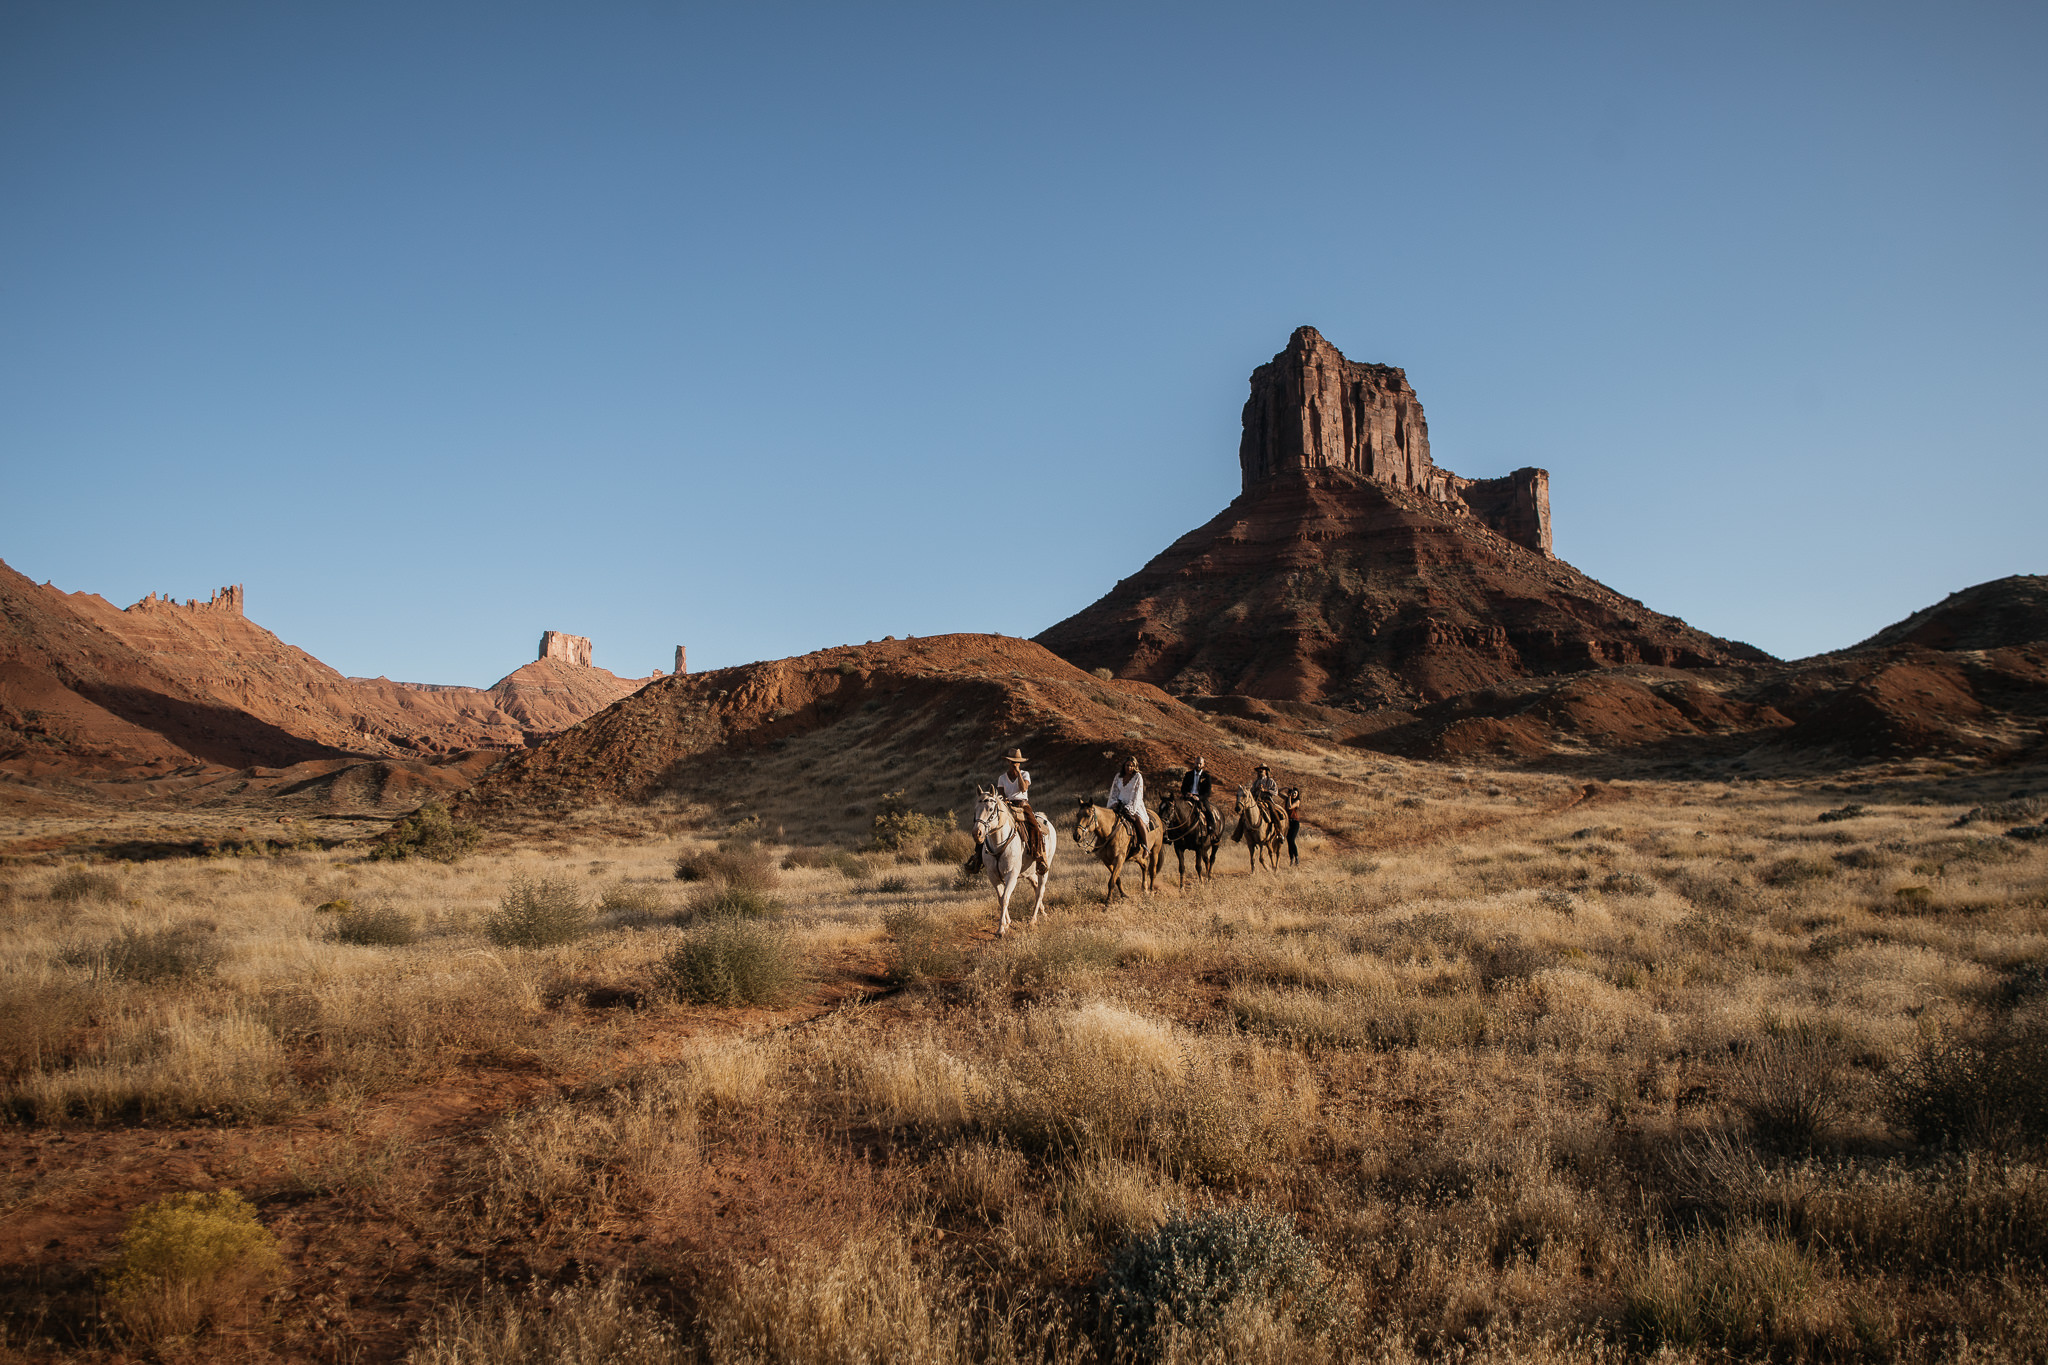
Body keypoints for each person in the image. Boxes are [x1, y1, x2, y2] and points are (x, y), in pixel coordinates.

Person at [996, 748, 1047, 867]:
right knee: (990, 822)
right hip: (1007, 805)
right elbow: (1001, 794)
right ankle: (979, 856)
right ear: (1009, 762)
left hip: (1023, 805)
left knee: (1034, 826)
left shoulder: (1025, 774)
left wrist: (1018, 772)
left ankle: (1039, 854)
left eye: (1017, 762)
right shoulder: (1002, 778)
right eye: (1013, 762)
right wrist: (1005, 800)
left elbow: (1023, 788)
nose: (1015, 764)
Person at [1107, 755, 1150, 845]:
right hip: (1118, 804)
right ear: (1124, 766)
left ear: (1135, 767)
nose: (1129, 768)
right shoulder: (1118, 776)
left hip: (1134, 805)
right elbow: (1113, 792)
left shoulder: (1138, 777)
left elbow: (1137, 795)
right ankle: (1101, 844)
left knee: (1138, 820)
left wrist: (1129, 808)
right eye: (1127, 765)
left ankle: (1146, 846)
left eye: (1132, 766)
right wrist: (1114, 803)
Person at [1179, 756, 1218, 840]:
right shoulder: (1188, 774)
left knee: (1208, 812)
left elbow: (1207, 792)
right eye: (1197, 763)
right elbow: (1183, 788)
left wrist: (1199, 797)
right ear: (1194, 763)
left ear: (1203, 764)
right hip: (1188, 798)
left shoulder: (1206, 776)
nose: (1198, 765)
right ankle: (1171, 833)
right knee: (1176, 809)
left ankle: (1211, 831)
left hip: (1200, 799)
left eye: (1200, 763)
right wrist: (1186, 794)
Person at [1251, 764, 1284, 831]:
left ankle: (1279, 830)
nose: (1260, 771)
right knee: (1246, 812)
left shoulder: (1270, 781)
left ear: (1266, 771)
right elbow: (1251, 792)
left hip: (1266, 799)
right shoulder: (1256, 782)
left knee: (1272, 811)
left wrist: (1265, 790)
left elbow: (1275, 792)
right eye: (1259, 769)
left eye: (1262, 769)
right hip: (1256, 800)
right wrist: (1256, 789)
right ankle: (1238, 834)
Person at [1282, 786, 1303, 866]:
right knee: (1288, 841)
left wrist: (1289, 797)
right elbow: (1278, 792)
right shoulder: (1287, 798)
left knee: (1291, 840)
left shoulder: (1297, 801)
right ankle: (1291, 859)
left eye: (1295, 793)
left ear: (1297, 794)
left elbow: (1289, 807)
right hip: (1287, 823)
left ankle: (1296, 858)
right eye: (1293, 792)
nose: (1293, 794)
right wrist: (1286, 788)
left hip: (1294, 822)